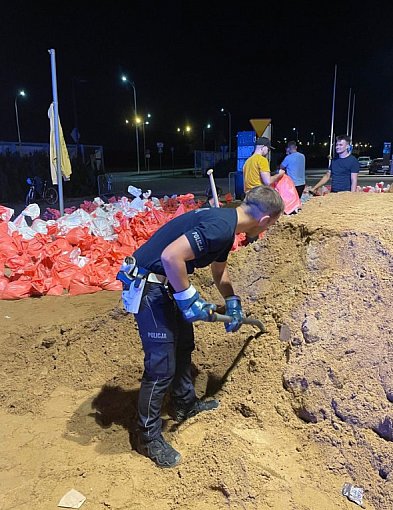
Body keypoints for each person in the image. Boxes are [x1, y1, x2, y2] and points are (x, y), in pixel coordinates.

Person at [117, 185, 285, 468]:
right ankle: (147, 436)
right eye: (272, 224)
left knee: (184, 344)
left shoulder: (226, 226)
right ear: (266, 219)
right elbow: (172, 257)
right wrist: (189, 299)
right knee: (161, 366)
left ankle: (184, 404)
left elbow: (219, 271)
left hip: (165, 286)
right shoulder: (220, 226)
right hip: (148, 286)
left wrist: (232, 300)